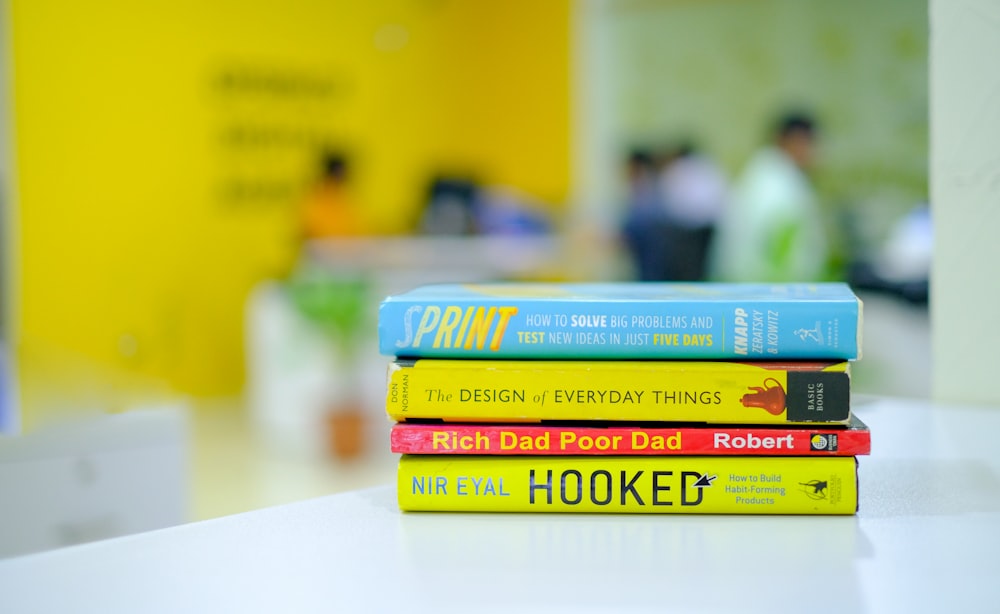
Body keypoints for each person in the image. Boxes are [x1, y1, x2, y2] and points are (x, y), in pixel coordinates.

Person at [710, 112, 830, 282]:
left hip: (745, 285)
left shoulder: (763, 172)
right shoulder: (779, 186)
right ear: (792, 141)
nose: (816, 155)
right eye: (812, 145)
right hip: (764, 289)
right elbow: (784, 256)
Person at [657, 142, 728, 281]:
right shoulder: (707, 166)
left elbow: (671, 203)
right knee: (702, 268)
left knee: (687, 269)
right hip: (709, 227)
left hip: (686, 231)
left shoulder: (677, 169)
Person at [300, 151, 366, 239]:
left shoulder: (343, 195)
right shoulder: (317, 195)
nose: (342, 177)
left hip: (342, 247)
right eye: (339, 173)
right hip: (324, 247)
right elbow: (309, 228)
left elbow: (354, 226)